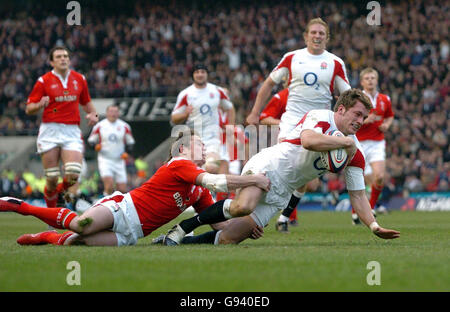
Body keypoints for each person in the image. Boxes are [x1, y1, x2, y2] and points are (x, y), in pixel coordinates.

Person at [161, 89, 400, 246]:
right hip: (269, 167)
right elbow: (308, 140)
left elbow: (357, 195)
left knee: (229, 239)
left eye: (364, 117)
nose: (360, 121)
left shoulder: (355, 153)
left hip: (283, 192)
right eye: (357, 114)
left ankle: (179, 242)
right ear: (341, 110)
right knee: (242, 207)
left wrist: (374, 226)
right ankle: (184, 227)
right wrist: (344, 142)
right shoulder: (321, 117)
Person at [0, 131, 270, 246]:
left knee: (75, 242)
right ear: (184, 149)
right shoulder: (179, 163)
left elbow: (218, 225)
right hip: (122, 209)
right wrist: (253, 180)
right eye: (199, 144)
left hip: (133, 234)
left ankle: (41, 238)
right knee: (80, 226)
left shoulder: (198, 192)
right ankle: (20, 206)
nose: (205, 149)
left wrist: (245, 226)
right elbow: (215, 181)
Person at [247, 18, 351, 232]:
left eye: (322, 33)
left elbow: (347, 95)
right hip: (292, 123)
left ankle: (281, 215)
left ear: (327, 37)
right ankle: (261, 215)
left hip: (319, 125)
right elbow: (268, 84)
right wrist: (255, 113)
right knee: (284, 168)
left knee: (306, 179)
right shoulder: (292, 58)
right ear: (306, 36)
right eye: (313, 32)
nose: (317, 36)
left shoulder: (335, 63)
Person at [25, 46, 98, 210]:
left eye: (65, 56)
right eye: (58, 57)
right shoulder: (43, 81)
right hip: (50, 131)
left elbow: (86, 102)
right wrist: (39, 105)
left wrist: (94, 114)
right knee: (51, 178)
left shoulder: (79, 78)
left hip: (71, 131)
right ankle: (51, 217)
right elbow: (29, 108)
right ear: (52, 62)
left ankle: (57, 195)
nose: (63, 59)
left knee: (73, 174)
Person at [171, 64, 235, 174]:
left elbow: (230, 108)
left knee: (211, 167)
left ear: (207, 74)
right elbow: (174, 118)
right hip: (194, 139)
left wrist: (231, 128)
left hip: (213, 138)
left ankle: (211, 189)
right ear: (193, 75)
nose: (200, 74)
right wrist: (185, 114)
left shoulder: (217, 91)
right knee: (194, 171)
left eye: (202, 72)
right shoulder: (186, 94)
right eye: (197, 72)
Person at [352, 67, 394, 224]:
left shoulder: (385, 99)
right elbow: (349, 119)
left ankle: (369, 208)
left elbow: (390, 116)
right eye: (367, 78)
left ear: (377, 80)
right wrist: (364, 120)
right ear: (362, 82)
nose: (370, 81)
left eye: (373, 78)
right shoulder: (357, 99)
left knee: (380, 177)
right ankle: (356, 211)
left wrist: (387, 125)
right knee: (363, 182)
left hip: (377, 142)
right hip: (359, 143)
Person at [88, 104, 135, 196]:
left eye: (115, 112)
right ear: (106, 113)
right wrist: (95, 147)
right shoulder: (100, 126)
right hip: (105, 159)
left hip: (119, 160)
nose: (113, 114)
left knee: (122, 189)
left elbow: (130, 143)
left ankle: (119, 207)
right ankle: (106, 205)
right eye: (111, 111)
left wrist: (127, 152)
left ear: (118, 113)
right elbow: (91, 141)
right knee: (109, 186)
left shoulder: (124, 126)